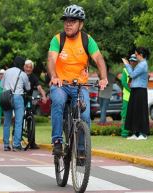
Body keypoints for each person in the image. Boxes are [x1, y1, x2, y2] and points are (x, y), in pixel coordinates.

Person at [47, 4, 108, 155]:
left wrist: (104, 78)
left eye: (73, 21)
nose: (68, 23)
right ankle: (57, 142)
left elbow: (98, 59)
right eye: (66, 20)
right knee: (58, 102)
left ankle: (81, 150)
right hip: (60, 84)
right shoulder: (58, 39)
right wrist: (54, 77)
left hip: (80, 86)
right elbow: (51, 59)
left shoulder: (87, 40)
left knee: (85, 115)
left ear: (81, 24)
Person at [1, 56, 30, 151]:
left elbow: (2, 85)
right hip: (18, 97)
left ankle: (6, 144)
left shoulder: (6, 72)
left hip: (6, 97)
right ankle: (16, 145)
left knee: (7, 122)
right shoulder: (23, 74)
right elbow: (28, 88)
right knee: (18, 122)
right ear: (22, 64)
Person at [122, 47, 150, 140]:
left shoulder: (143, 64)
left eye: (136, 54)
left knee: (140, 112)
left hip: (140, 90)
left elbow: (132, 74)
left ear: (141, 55)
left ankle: (143, 134)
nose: (135, 56)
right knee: (134, 111)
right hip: (135, 89)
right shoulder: (140, 64)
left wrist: (127, 64)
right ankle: (135, 133)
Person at [23, 59, 47, 149]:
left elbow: (39, 87)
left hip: (29, 98)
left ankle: (32, 142)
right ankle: (17, 139)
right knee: (20, 117)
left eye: (30, 67)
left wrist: (44, 96)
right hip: (21, 98)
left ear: (32, 69)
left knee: (31, 116)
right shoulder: (21, 75)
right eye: (27, 67)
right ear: (24, 67)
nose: (28, 69)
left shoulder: (33, 77)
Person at [120, 54, 138, 137]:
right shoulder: (125, 70)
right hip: (127, 98)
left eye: (134, 61)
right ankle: (124, 133)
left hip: (135, 98)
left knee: (135, 115)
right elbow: (124, 82)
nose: (132, 62)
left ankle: (134, 132)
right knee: (125, 115)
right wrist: (131, 90)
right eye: (131, 61)